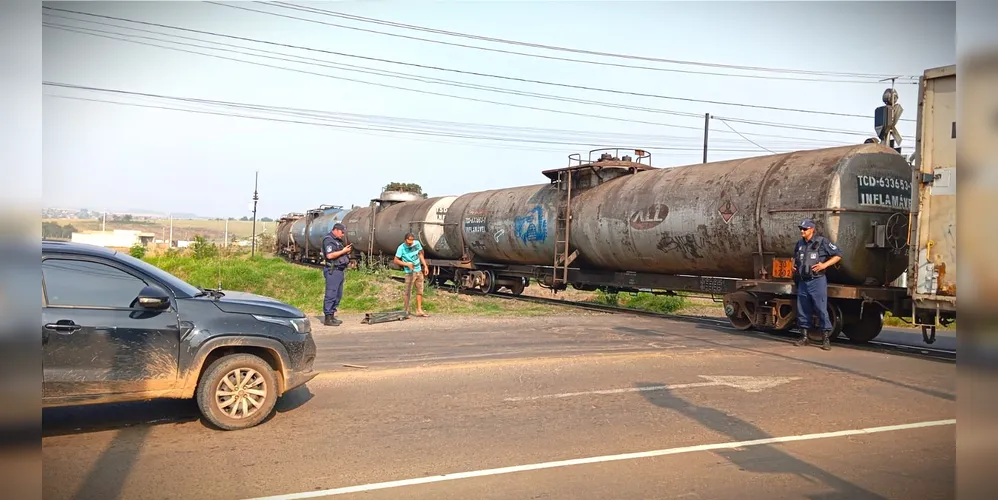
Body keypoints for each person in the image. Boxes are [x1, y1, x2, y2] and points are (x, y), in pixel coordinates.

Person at [792, 218, 842, 350]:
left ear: (812, 229)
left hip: (817, 281)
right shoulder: (799, 244)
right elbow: (795, 257)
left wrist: (824, 265)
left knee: (821, 309)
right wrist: (795, 267)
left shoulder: (822, 242)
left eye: (805, 229)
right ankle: (804, 337)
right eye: (801, 229)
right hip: (803, 281)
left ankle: (825, 339)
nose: (802, 231)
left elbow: (838, 255)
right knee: (803, 309)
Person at [321, 223, 352, 326]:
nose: (343, 234)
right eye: (342, 232)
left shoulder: (338, 241)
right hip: (332, 270)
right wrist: (343, 251)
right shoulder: (328, 240)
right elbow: (330, 255)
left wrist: (345, 252)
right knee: (331, 294)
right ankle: (328, 318)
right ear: (336, 230)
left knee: (337, 295)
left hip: (339, 270)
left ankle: (332, 315)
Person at [394, 232, 429, 317]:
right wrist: (407, 264)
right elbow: (396, 260)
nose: (410, 243)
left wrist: (425, 266)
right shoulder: (401, 248)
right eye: (409, 242)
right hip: (409, 273)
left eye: (412, 241)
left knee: (420, 291)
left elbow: (420, 254)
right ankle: (406, 311)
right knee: (408, 292)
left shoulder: (416, 243)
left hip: (418, 271)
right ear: (405, 240)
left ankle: (419, 310)